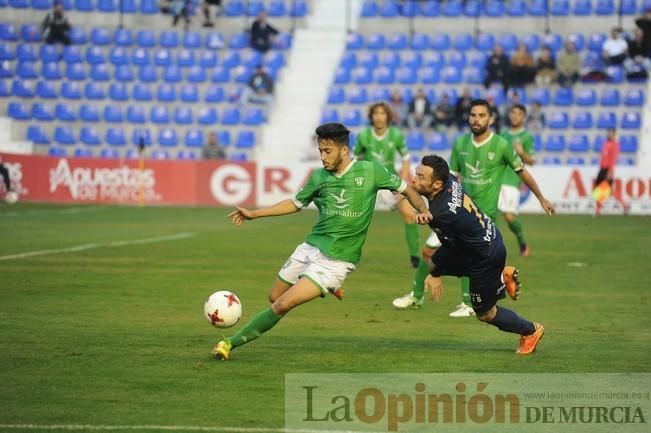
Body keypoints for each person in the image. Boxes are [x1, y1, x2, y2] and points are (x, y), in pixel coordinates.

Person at [211, 123, 432, 360]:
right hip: (311, 246)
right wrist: (254, 214)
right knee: (274, 297)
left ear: (344, 151)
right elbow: (294, 204)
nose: (323, 157)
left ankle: (228, 343)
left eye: (328, 151)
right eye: (320, 152)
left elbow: (407, 190)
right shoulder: (319, 177)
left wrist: (423, 211)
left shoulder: (371, 171)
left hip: (336, 261)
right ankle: (330, 288)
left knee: (281, 305)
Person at [393, 100, 554, 316]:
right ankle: (418, 295)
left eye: (481, 115)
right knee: (431, 252)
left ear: (491, 119)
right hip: (458, 210)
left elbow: (522, 171)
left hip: (482, 213)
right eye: (473, 115)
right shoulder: (461, 144)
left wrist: (541, 198)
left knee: (463, 253)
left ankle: (465, 302)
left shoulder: (501, 145)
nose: (476, 119)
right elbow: (451, 178)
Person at [413, 155, 545, 355]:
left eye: (421, 177)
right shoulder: (448, 179)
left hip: (485, 257)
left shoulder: (442, 214)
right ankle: (502, 277)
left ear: (437, 184)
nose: (415, 179)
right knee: (432, 263)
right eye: (416, 174)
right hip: (487, 240)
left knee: (484, 313)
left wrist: (436, 275)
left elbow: (451, 248)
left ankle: (531, 330)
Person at [355, 102, 422, 268]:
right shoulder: (364, 136)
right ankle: (348, 252)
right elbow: (354, 159)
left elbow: (406, 158)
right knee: (355, 217)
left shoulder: (396, 135)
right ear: (372, 116)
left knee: (409, 214)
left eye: (382, 113)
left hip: (390, 180)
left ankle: (415, 257)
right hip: (370, 181)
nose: (379, 116)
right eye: (376, 113)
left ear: (388, 116)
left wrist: (403, 182)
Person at [499, 104, 536, 256]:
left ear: (523, 117)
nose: (515, 116)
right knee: (486, 215)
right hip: (495, 179)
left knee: (508, 216)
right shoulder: (503, 133)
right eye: (513, 113)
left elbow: (531, 161)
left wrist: (521, 153)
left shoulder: (526, 136)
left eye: (519, 114)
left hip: (512, 181)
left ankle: (522, 242)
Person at [594, 128, 628, 216]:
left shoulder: (615, 145)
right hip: (602, 169)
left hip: (608, 170)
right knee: (600, 190)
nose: (609, 134)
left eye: (610, 133)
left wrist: (610, 172)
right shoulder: (605, 143)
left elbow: (613, 160)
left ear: (614, 134)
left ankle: (624, 206)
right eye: (608, 133)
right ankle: (598, 210)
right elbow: (603, 156)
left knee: (607, 190)